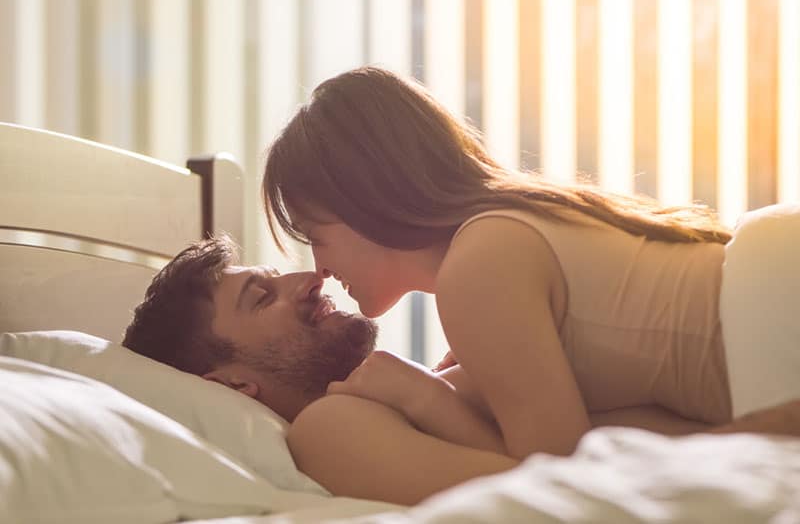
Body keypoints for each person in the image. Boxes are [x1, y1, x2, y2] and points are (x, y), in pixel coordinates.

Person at [260, 65, 789, 460]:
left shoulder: (478, 268)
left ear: (364, 199)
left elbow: (556, 475)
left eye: (315, 236)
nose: (320, 269)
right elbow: (620, 435)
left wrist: (423, 397)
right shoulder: (506, 230)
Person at [123, 235, 800, 506]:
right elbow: (556, 491)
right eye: (261, 297)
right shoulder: (328, 426)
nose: (311, 276)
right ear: (233, 384)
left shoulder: (385, 394)